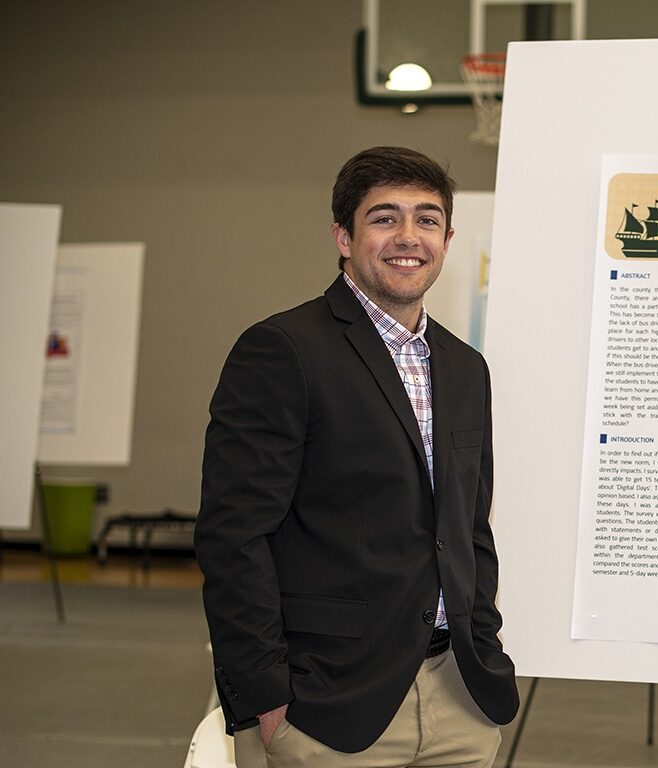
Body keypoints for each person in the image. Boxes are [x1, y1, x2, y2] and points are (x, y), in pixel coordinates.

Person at [196, 146, 519, 767]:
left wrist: (484, 644)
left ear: (447, 239)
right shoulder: (283, 350)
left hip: (460, 699)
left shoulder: (465, 367)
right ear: (344, 237)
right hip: (330, 706)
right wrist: (264, 694)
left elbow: (469, 526)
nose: (408, 237)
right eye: (384, 218)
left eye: (426, 220)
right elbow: (233, 535)